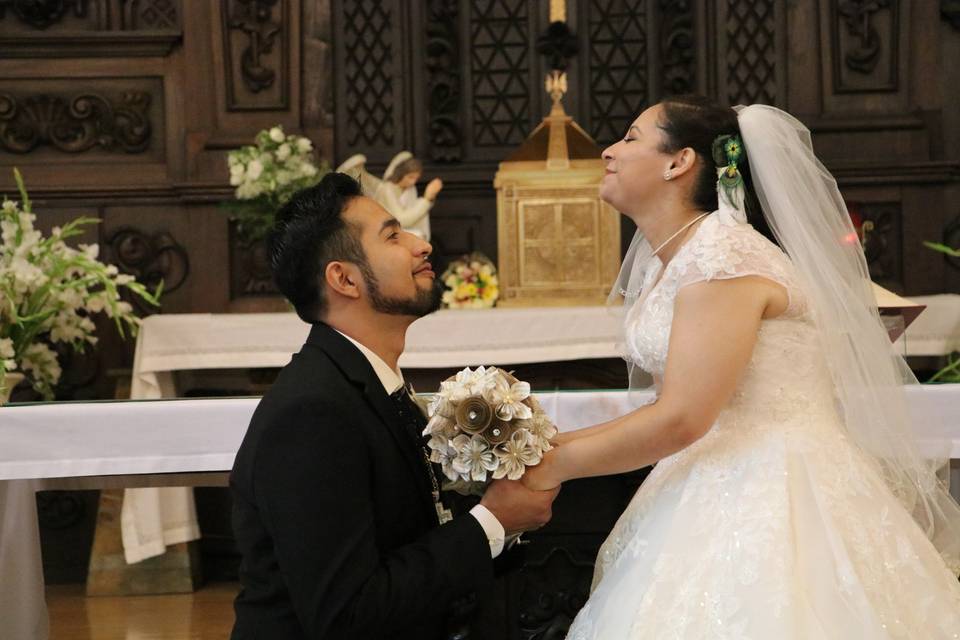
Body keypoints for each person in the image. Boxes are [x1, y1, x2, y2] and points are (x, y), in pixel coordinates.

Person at [521, 96, 960, 637]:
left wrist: (550, 466)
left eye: (631, 137)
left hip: (773, 490)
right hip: (713, 474)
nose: (609, 151)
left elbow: (683, 418)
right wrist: (544, 448)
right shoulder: (687, 257)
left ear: (679, 162)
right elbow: (676, 405)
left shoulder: (723, 258)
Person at [230, 172, 559, 640]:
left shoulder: (365, 383)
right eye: (393, 236)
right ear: (344, 278)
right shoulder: (312, 412)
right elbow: (346, 615)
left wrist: (504, 521)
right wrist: (492, 520)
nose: (421, 245)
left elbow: (411, 541)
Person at [373, 151, 443, 241]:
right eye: (410, 177)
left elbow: (413, 211)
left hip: (406, 228)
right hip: (389, 231)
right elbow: (401, 220)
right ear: (401, 174)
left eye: (416, 178)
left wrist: (430, 198)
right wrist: (426, 199)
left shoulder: (410, 189)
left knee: (419, 235)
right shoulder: (387, 189)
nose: (413, 182)